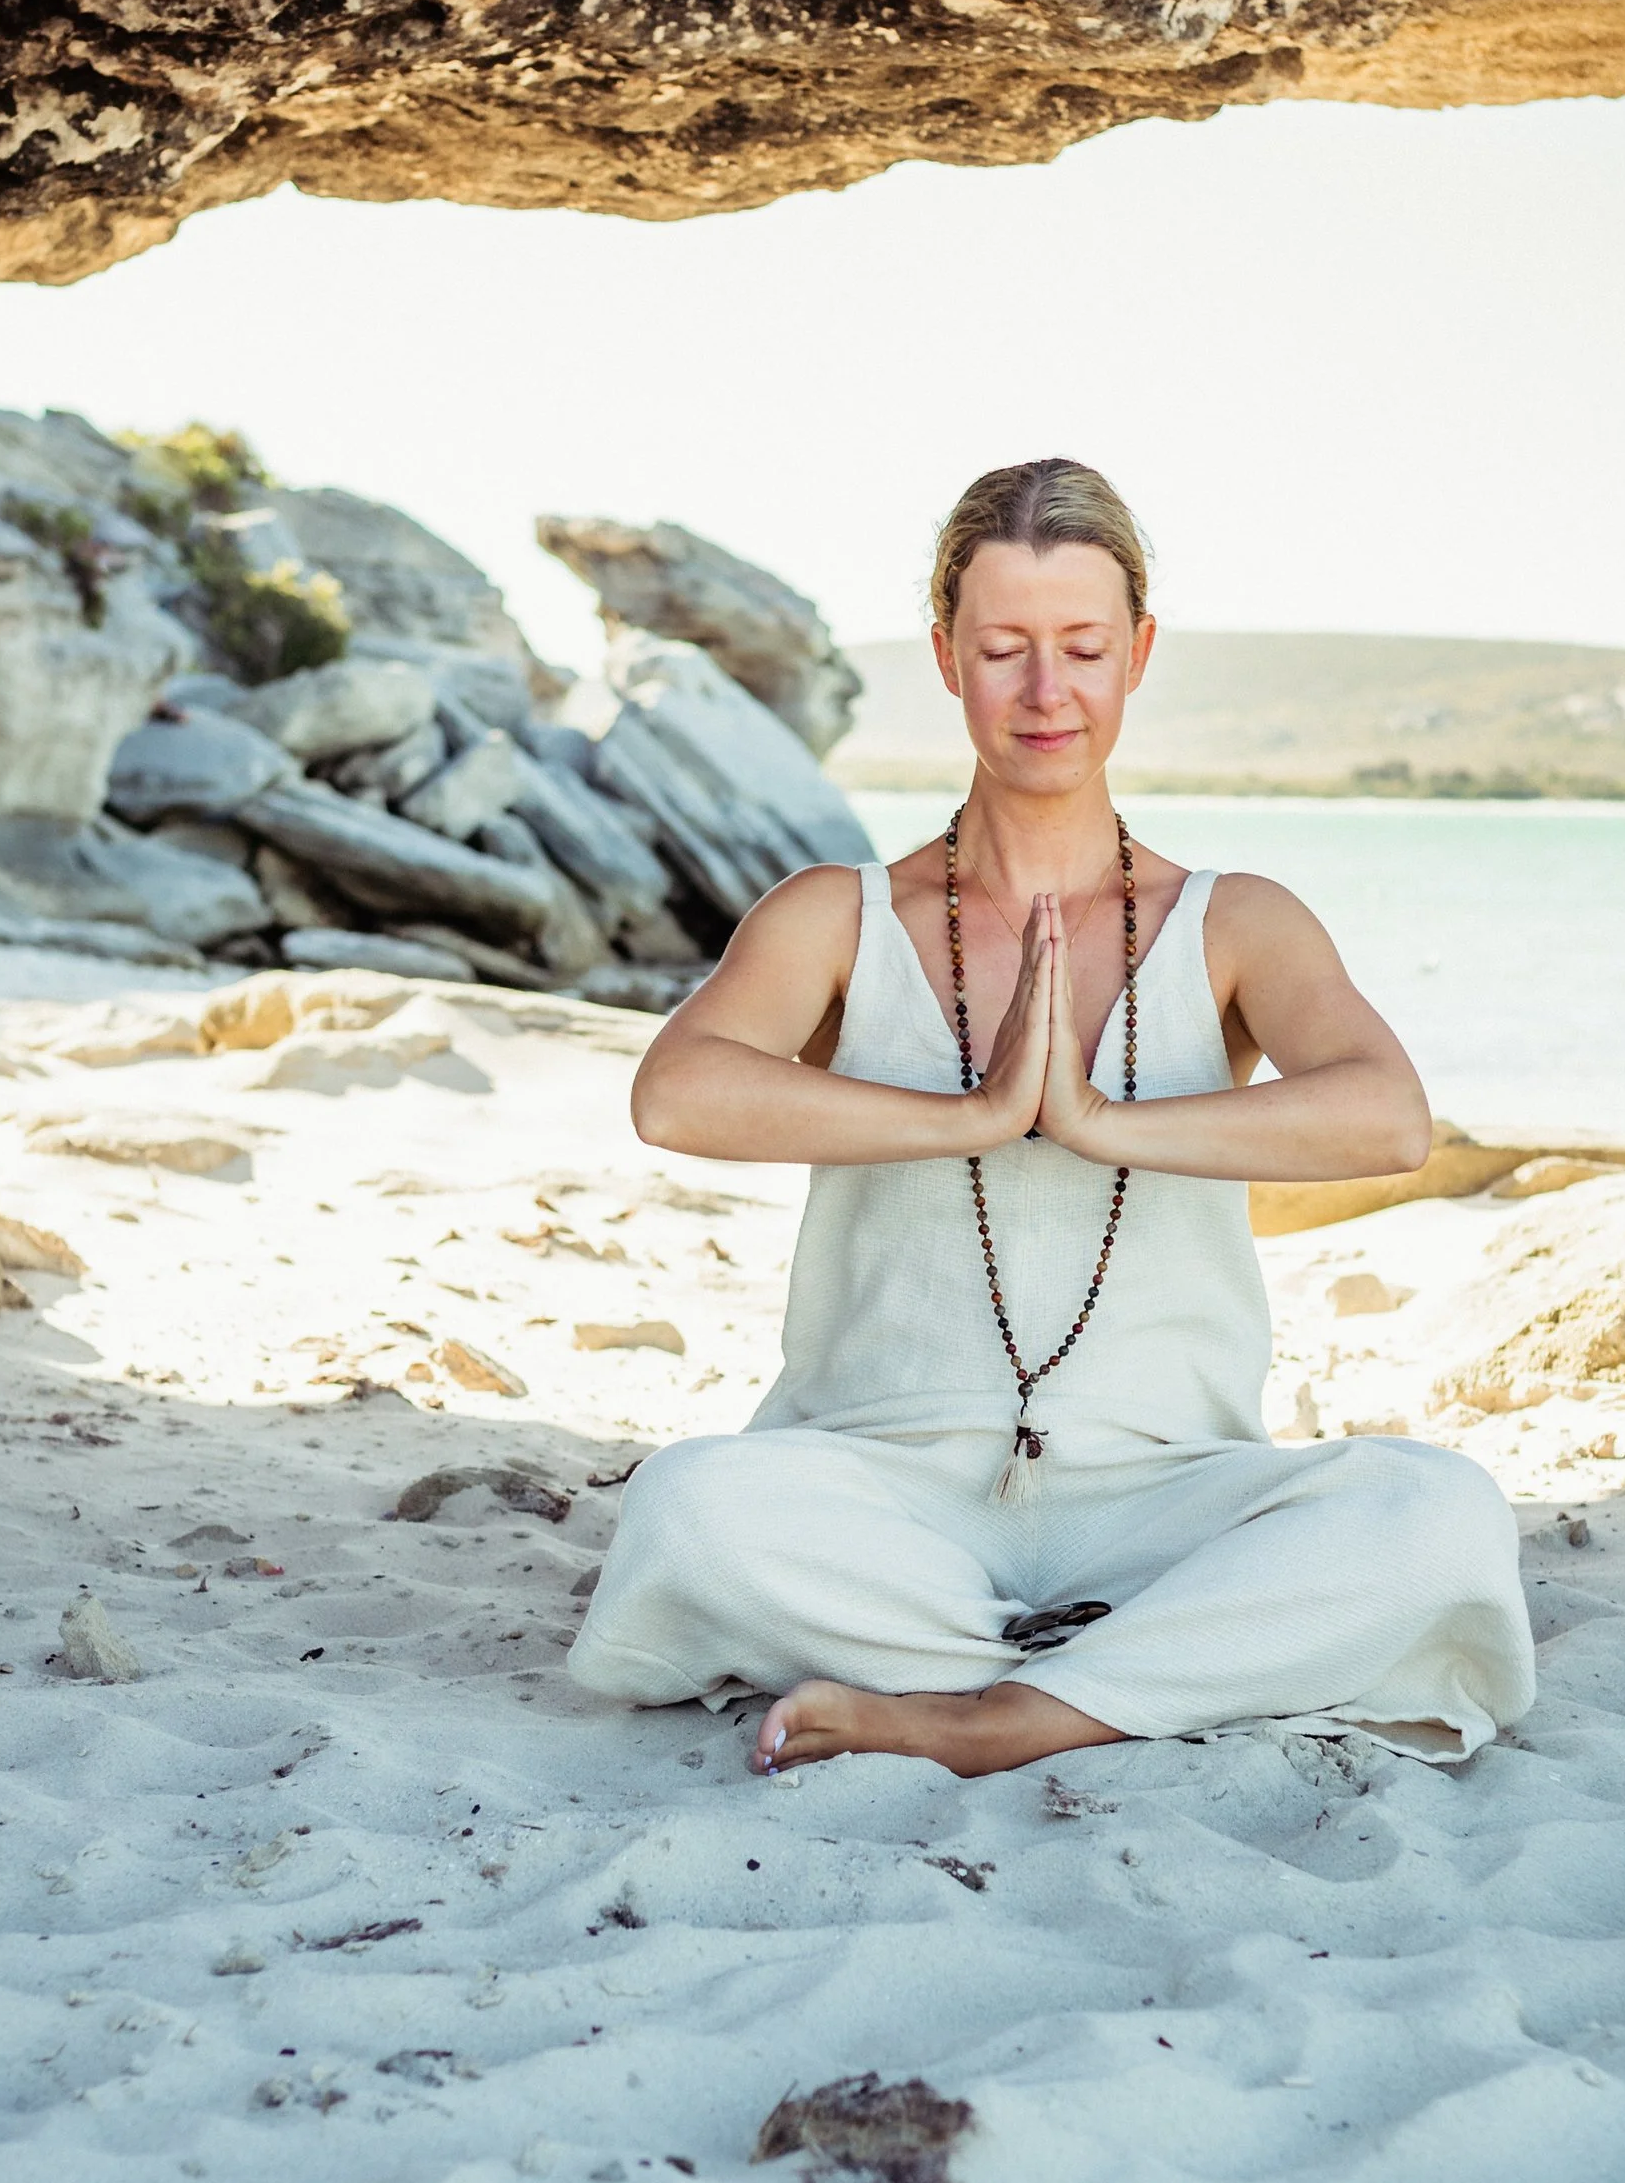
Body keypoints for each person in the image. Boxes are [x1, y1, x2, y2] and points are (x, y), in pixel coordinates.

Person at [569, 457, 1536, 1779]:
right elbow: (676, 1092)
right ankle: (1137, 1670)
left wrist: (1097, 1121)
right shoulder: (840, 914)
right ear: (946, 658)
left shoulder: (1237, 919)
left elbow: (1388, 1119)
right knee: (686, 1506)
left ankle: (996, 1707)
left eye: (1082, 647)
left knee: (1442, 1513)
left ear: (1137, 654)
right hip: (886, 1489)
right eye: (1005, 649)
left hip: (1164, 1492)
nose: (1046, 692)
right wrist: (972, 1111)